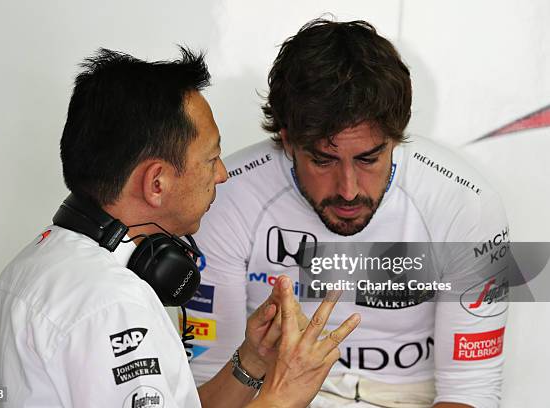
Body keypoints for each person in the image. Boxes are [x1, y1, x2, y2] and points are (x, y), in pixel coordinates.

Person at [0, 48, 362, 407]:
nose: (223, 175)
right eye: (211, 160)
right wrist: (284, 394)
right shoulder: (113, 305)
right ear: (156, 183)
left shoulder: (42, 261)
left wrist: (253, 361)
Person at [186, 19, 509, 408]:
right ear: (287, 141)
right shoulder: (225, 197)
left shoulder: (465, 202)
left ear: (397, 137)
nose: (348, 189)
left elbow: (470, 391)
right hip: (275, 393)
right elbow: (208, 388)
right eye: (323, 160)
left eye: (369, 158)